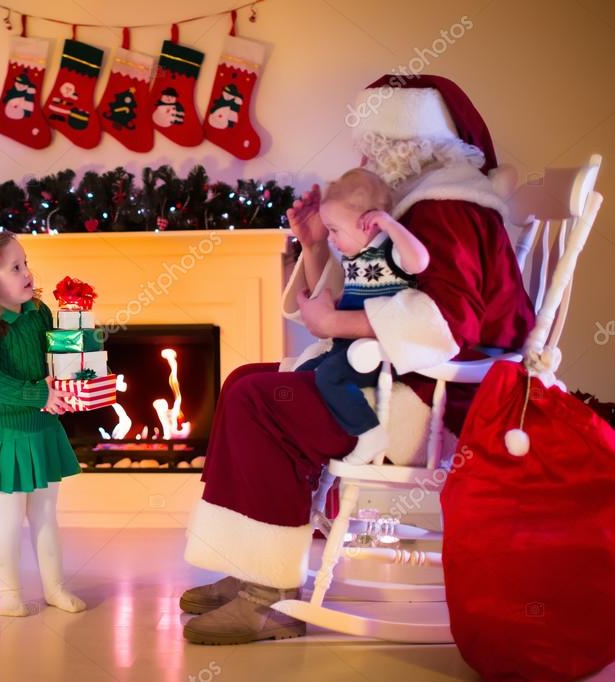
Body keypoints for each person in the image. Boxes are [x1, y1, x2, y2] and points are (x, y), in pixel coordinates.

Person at [180, 75, 536, 646]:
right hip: (390, 375)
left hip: (432, 401)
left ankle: (268, 596)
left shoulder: (446, 208)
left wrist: (336, 326)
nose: (367, 154)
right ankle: (253, 564)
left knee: (258, 401)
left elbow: (450, 323)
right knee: (248, 379)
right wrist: (316, 245)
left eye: (376, 141)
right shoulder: (412, 202)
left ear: (405, 143)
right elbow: (374, 285)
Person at [0, 231, 86, 617]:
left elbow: (55, 356)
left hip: (43, 428)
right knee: (10, 519)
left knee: (46, 515)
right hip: (8, 436)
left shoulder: (39, 312)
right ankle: (9, 593)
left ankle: (54, 588)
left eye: (26, 263)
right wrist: (38, 394)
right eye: (16, 268)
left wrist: (75, 373)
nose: (27, 272)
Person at [298, 168, 430, 467]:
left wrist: (389, 223)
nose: (331, 239)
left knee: (330, 376)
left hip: (378, 352)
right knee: (305, 373)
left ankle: (369, 433)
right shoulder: (354, 258)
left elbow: (420, 261)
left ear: (367, 225)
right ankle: (320, 437)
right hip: (350, 345)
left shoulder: (389, 252)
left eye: (334, 230)